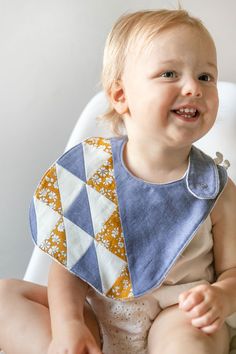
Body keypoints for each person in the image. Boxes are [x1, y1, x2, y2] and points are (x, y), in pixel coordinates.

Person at [0, 8, 236, 354]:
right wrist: (69, 326)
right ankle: (70, 347)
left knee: (191, 339)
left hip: (174, 318)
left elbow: (234, 269)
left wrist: (221, 296)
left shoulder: (214, 189)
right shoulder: (90, 173)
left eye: (205, 77)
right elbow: (69, 266)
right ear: (121, 95)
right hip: (96, 316)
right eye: (170, 73)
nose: (193, 88)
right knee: (6, 296)